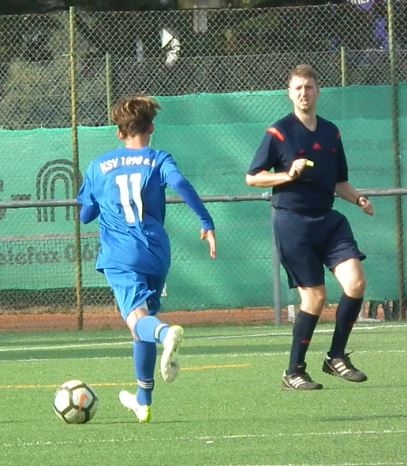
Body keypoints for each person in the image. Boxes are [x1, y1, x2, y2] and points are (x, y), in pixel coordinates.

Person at [76, 95, 217, 422]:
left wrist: (97, 203)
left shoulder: (98, 166)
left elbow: (85, 215)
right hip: (156, 252)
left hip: (121, 255)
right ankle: (143, 400)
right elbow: (179, 182)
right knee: (142, 325)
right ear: (151, 128)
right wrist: (206, 222)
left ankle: (166, 335)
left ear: (119, 132)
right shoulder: (158, 159)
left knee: (139, 321)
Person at [246, 64, 374, 390]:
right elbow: (253, 177)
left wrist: (358, 199)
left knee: (356, 283)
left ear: (318, 91)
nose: (304, 93)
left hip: (328, 220)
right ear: (289, 93)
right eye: (298, 88)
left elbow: (340, 182)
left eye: (309, 87)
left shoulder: (331, 132)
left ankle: (336, 356)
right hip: (293, 222)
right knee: (315, 297)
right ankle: (294, 371)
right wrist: (288, 174)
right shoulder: (279, 132)